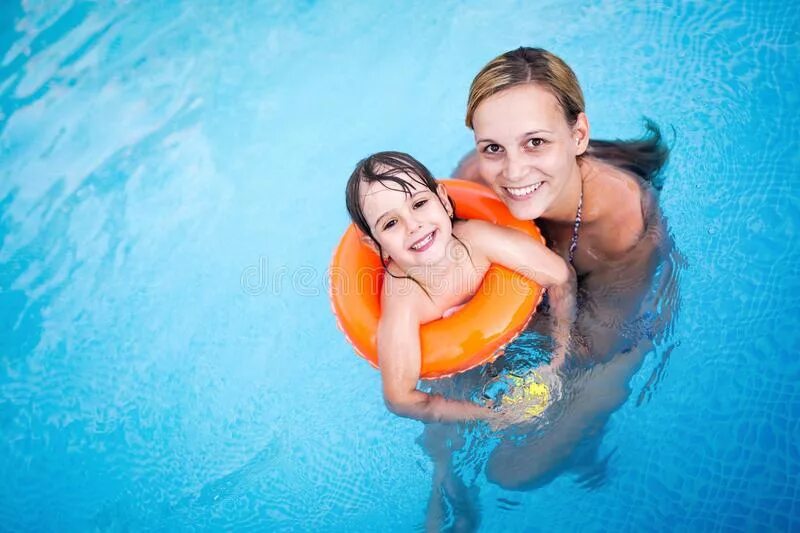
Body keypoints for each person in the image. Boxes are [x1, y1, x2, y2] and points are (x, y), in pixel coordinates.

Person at [345, 151, 577, 425]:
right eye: (391, 223)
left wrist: (561, 355)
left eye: (419, 203)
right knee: (448, 449)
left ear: (443, 200)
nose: (413, 226)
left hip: (525, 329)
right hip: (460, 375)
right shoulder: (405, 299)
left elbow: (560, 276)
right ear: (375, 245)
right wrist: (490, 415)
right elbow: (400, 399)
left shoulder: (477, 241)